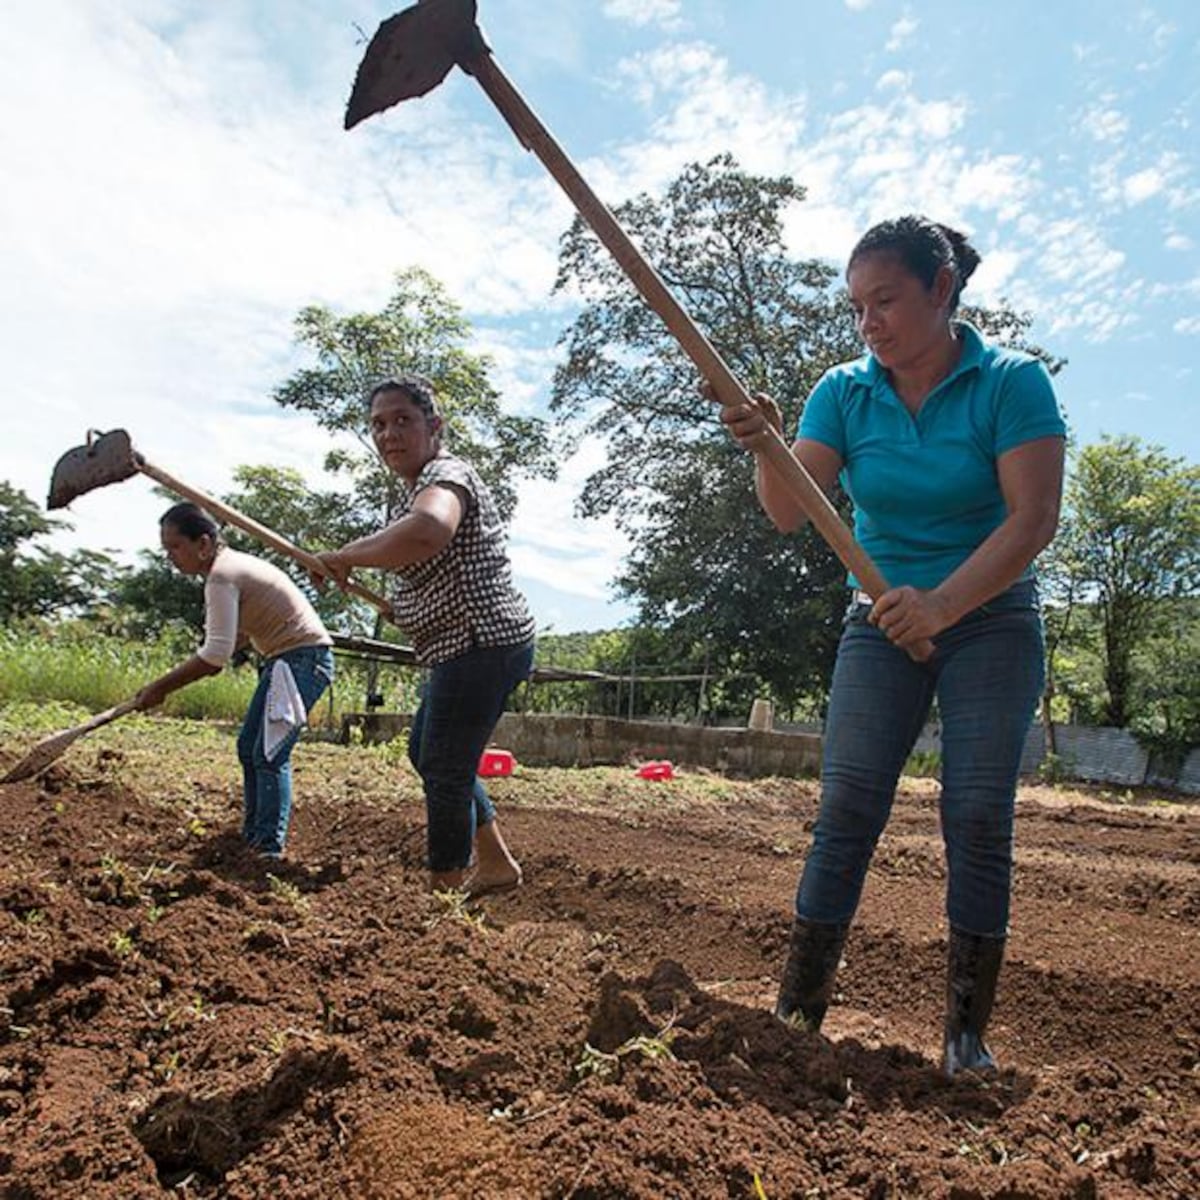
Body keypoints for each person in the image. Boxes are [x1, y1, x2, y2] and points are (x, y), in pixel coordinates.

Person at [716, 215, 1067, 1077]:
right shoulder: (842, 391)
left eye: (886, 300)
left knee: (977, 812)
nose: (868, 322)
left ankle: (964, 1040)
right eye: (856, 306)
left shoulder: (1012, 383)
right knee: (848, 810)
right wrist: (766, 447)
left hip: (990, 619)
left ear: (941, 290)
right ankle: (796, 1017)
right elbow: (788, 509)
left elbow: (1034, 521)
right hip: (877, 622)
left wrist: (943, 604)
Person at [314, 373, 534, 895]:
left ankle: (443, 897)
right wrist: (404, 605)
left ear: (434, 426)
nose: (389, 434)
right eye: (378, 425)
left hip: (483, 645)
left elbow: (430, 531)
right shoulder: (413, 493)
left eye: (402, 421)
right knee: (426, 753)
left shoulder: (445, 475)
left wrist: (345, 556)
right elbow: (428, 558)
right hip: (462, 647)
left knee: (444, 767)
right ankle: (497, 864)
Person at [134, 502, 334, 860]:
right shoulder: (232, 569)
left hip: (302, 659)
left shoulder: (222, 576)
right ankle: (254, 838)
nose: (171, 557)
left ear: (204, 544)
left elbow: (214, 658)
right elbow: (236, 636)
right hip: (288, 659)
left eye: (176, 547)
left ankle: (267, 848)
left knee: (270, 754)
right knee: (249, 748)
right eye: (166, 550)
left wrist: (159, 688)